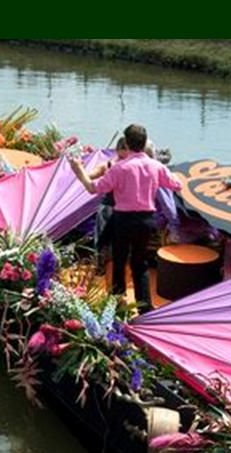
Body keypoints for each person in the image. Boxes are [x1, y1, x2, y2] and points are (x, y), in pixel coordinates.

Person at [69, 124, 181, 312]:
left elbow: (92, 188)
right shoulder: (156, 166)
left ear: (127, 144)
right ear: (145, 142)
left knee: (119, 261)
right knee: (140, 263)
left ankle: (116, 306)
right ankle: (145, 307)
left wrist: (78, 170)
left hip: (123, 220)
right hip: (146, 220)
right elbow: (176, 185)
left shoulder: (119, 168)